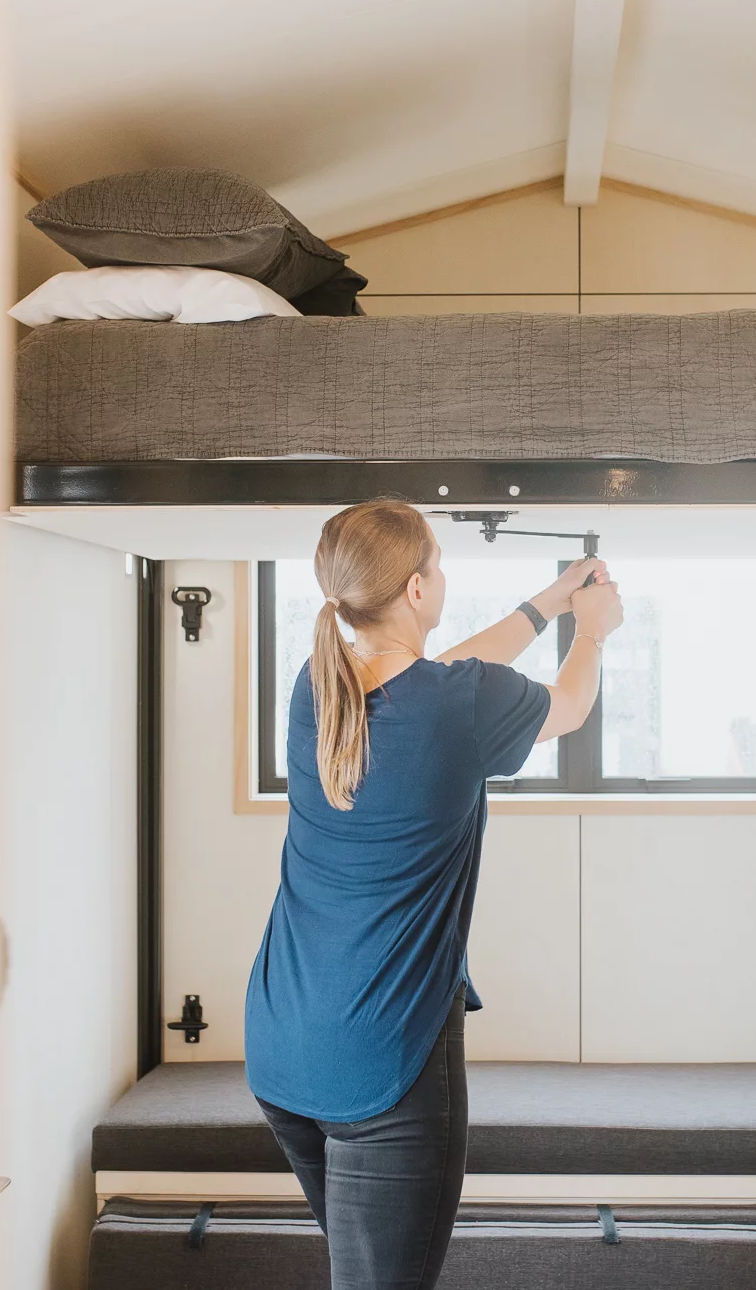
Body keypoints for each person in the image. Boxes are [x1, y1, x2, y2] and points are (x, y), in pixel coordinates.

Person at [243, 498, 622, 1290]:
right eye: (439, 567)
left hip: (283, 1044)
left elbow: (441, 674)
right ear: (417, 590)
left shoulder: (317, 686)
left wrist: (549, 602)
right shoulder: (461, 705)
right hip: (381, 1067)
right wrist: (592, 629)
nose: (443, 579)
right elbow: (572, 704)